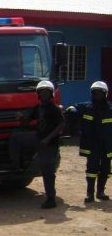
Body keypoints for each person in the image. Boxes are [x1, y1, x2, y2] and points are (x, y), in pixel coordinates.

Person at [8, 80, 65, 209]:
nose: (44, 94)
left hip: (50, 144)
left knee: (48, 171)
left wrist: (48, 139)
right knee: (16, 138)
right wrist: (21, 118)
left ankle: (51, 199)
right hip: (38, 138)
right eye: (42, 92)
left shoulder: (55, 108)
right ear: (38, 94)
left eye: (46, 92)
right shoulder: (38, 108)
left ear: (51, 94)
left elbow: (62, 125)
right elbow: (28, 121)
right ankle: (16, 165)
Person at [66, 81, 112, 203]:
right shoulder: (86, 107)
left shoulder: (110, 109)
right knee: (91, 169)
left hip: (107, 145)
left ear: (105, 94)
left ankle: (101, 192)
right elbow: (71, 107)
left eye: (99, 93)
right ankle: (90, 194)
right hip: (92, 145)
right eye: (95, 93)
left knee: (106, 169)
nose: (97, 95)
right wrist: (72, 111)